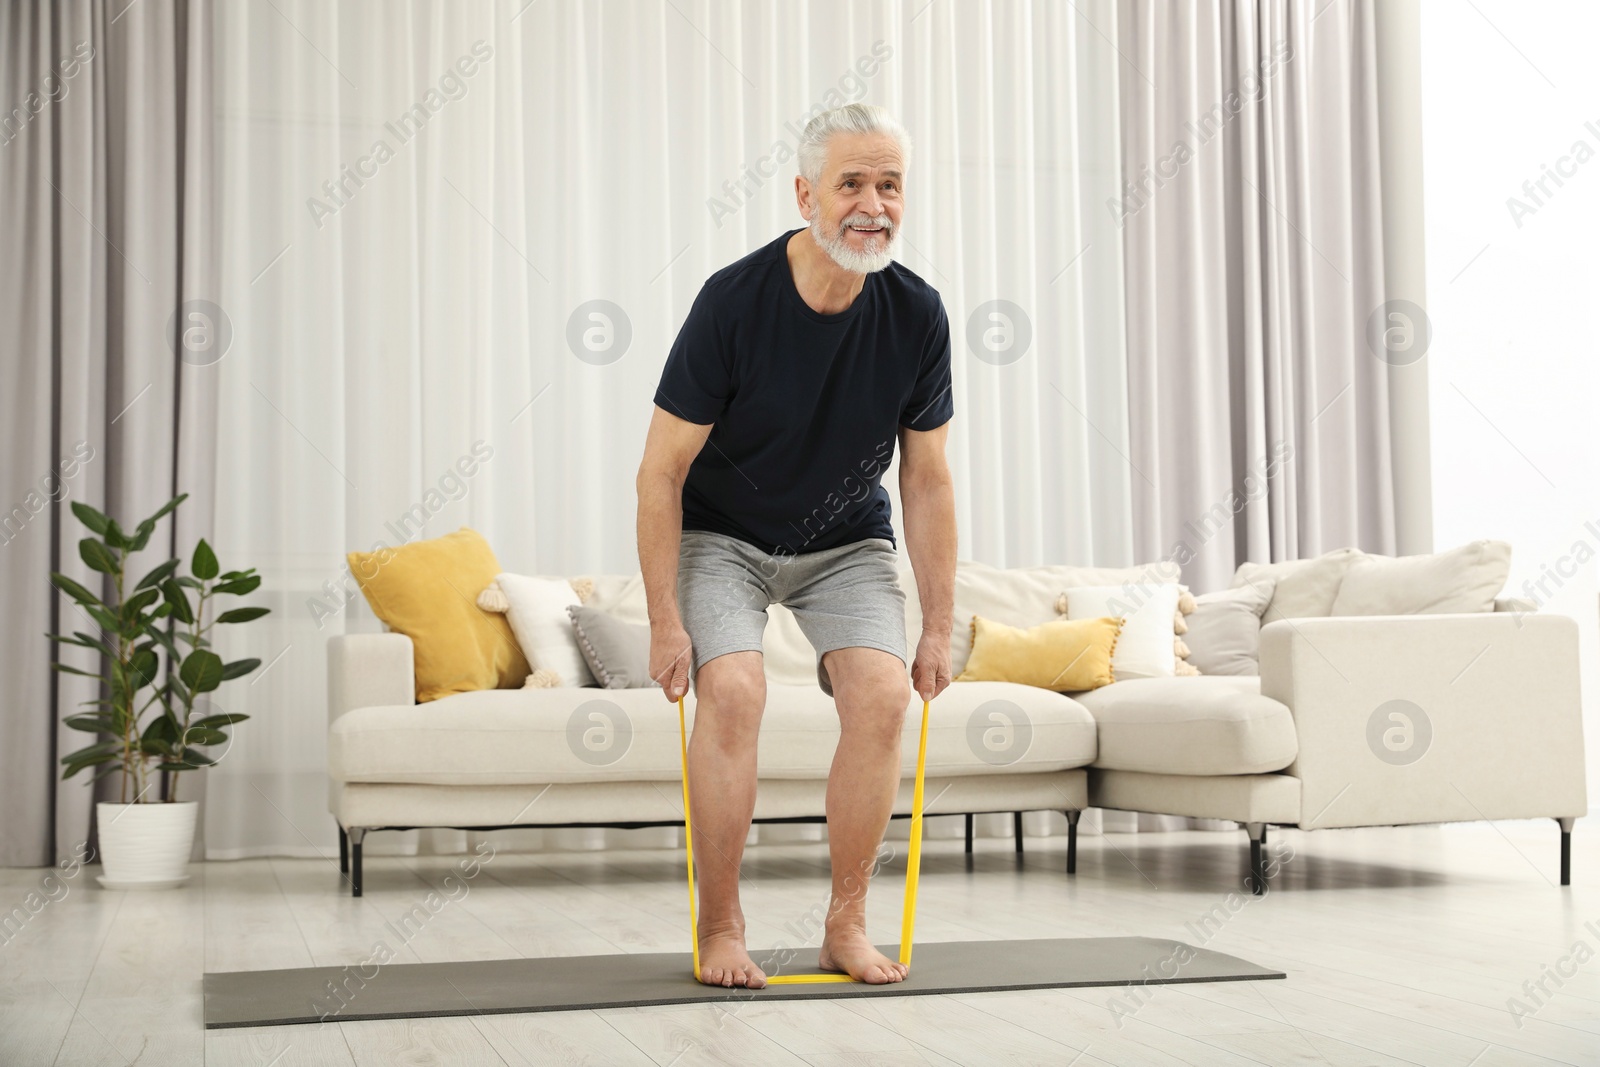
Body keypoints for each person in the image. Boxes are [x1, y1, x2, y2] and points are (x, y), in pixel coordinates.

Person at [636, 103, 956, 988]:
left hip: (845, 541)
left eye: (889, 184)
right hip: (723, 534)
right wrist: (666, 620)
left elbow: (926, 478)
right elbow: (660, 471)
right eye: (852, 183)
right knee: (733, 692)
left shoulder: (917, 315)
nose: (873, 204)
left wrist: (938, 623)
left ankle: (844, 925)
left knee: (883, 696)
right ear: (806, 192)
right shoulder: (734, 302)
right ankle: (722, 927)